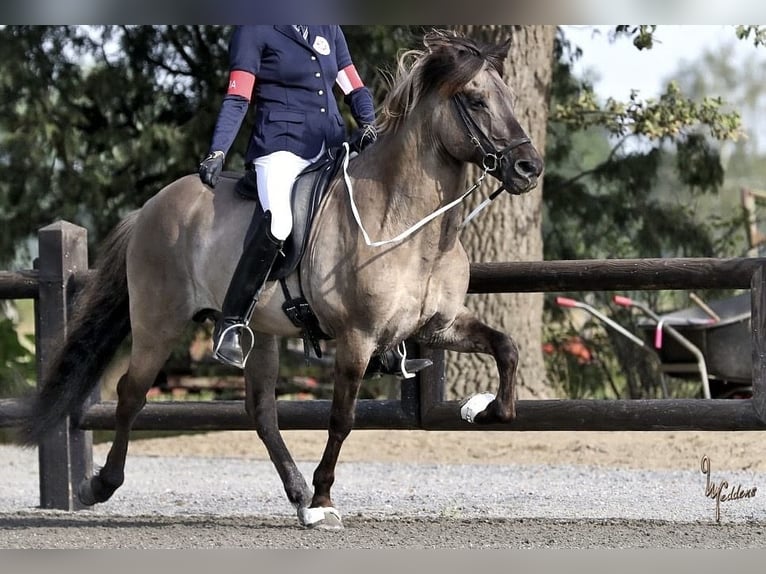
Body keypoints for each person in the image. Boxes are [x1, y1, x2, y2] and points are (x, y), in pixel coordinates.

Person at [199, 25, 431, 378]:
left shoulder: (328, 28)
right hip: (280, 147)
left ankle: (381, 345)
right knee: (278, 222)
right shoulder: (254, 29)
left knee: (365, 217)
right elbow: (238, 97)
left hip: (331, 147)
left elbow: (354, 86)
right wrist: (218, 149)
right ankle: (232, 321)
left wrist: (368, 121)